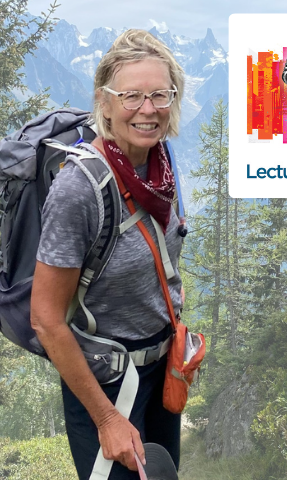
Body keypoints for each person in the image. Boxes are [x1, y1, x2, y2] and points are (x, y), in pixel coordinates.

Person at [30, 29, 185, 480]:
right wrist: (107, 419)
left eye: (160, 94)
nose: (148, 109)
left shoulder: (160, 164)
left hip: (160, 374)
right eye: (132, 96)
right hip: (107, 383)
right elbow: (46, 319)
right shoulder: (78, 190)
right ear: (105, 101)